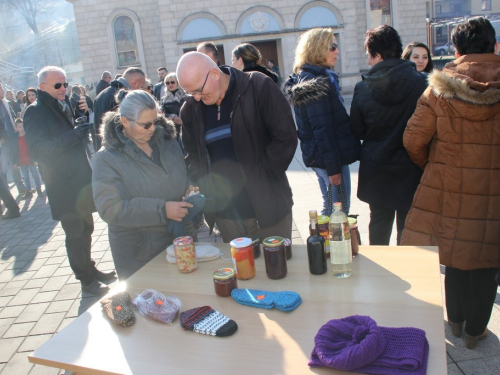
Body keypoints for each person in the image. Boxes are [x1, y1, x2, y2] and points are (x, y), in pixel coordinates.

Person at [401, 17, 500, 349]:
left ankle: (455, 322)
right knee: (487, 258)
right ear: (495, 46)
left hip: (450, 187)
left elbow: (413, 139)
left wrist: (435, 165)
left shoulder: (439, 89)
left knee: (455, 255)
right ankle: (476, 331)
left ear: (455, 50)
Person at [177, 52, 297, 242]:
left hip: (269, 207)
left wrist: (262, 174)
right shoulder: (190, 109)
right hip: (227, 216)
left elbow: (286, 137)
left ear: (215, 74)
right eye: (191, 93)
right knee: (241, 270)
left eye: (199, 90)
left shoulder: (258, 86)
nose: (197, 98)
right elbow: (191, 154)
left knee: (277, 266)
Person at [24, 66, 115, 296]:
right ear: (42, 86)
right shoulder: (35, 111)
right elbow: (37, 150)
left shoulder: (60, 105)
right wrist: (73, 135)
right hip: (63, 185)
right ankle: (86, 280)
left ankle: (90, 269)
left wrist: (80, 123)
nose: (64, 88)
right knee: (75, 233)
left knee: (87, 228)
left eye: (65, 83)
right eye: (58, 85)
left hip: (78, 182)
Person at [92, 90, 200, 280]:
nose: (152, 128)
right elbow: (110, 208)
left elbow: (179, 172)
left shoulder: (167, 140)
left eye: (156, 121)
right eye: (145, 125)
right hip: (141, 254)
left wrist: (189, 187)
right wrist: (162, 210)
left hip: (179, 240)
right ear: (125, 122)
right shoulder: (107, 158)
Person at [349, 25, 427, 245]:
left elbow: (358, 130)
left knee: (379, 222)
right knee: (407, 224)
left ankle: (381, 275)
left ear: (378, 55)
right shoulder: (421, 83)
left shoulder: (362, 88)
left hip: (377, 167)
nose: (368, 61)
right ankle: (407, 272)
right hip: (411, 167)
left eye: (369, 56)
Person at [284, 28, 359, 216]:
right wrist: (334, 169)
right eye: (332, 47)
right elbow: (321, 129)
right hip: (329, 159)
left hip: (325, 156)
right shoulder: (315, 81)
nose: (337, 51)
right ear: (318, 48)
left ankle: (325, 243)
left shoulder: (310, 77)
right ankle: (328, 244)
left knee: (332, 208)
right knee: (338, 212)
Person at [94, 67, 146, 151]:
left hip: (102, 149)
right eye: (141, 87)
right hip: (118, 151)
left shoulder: (101, 94)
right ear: (135, 83)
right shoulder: (124, 97)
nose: (141, 90)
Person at [0, 83, 26, 195]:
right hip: (3, 141)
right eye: (1, 89)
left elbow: (13, 117)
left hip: (12, 138)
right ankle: (5, 191)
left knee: (15, 162)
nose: (2, 90)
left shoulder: (6, 103)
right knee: (3, 167)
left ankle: (21, 188)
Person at [13, 118, 43, 199]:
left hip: (31, 159)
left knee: (35, 174)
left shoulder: (28, 135)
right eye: (19, 127)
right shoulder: (15, 138)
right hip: (22, 161)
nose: (21, 128)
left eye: (22, 126)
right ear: (16, 128)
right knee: (25, 176)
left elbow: (33, 148)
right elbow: (15, 151)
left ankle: (38, 188)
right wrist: (15, 162)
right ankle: (28, 191)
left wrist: (36, 159)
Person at [160, 72, 186, 139]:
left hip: (187, 126)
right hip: (174, 130)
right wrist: (173, 117)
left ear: (177, 82)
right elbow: (162, 113)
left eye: (172, 82)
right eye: (167, 83)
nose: (170, 84)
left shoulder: (186, 95)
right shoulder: (164, 100)